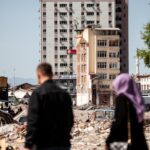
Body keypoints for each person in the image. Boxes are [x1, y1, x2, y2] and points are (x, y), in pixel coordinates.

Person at [24, 63, 74, 150]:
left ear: (38, 75)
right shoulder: (64, 94)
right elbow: (70, 120)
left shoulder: (37, 94)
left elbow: (33, 121)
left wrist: (28, 144)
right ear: (51, 74)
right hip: (63, 144)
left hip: (43, 144)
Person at [106, 74, 148, 150]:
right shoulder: (137, 100)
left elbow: (119, 121)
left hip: (126, 145)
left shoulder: (122, 98)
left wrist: (108, 140)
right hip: (140, 144)